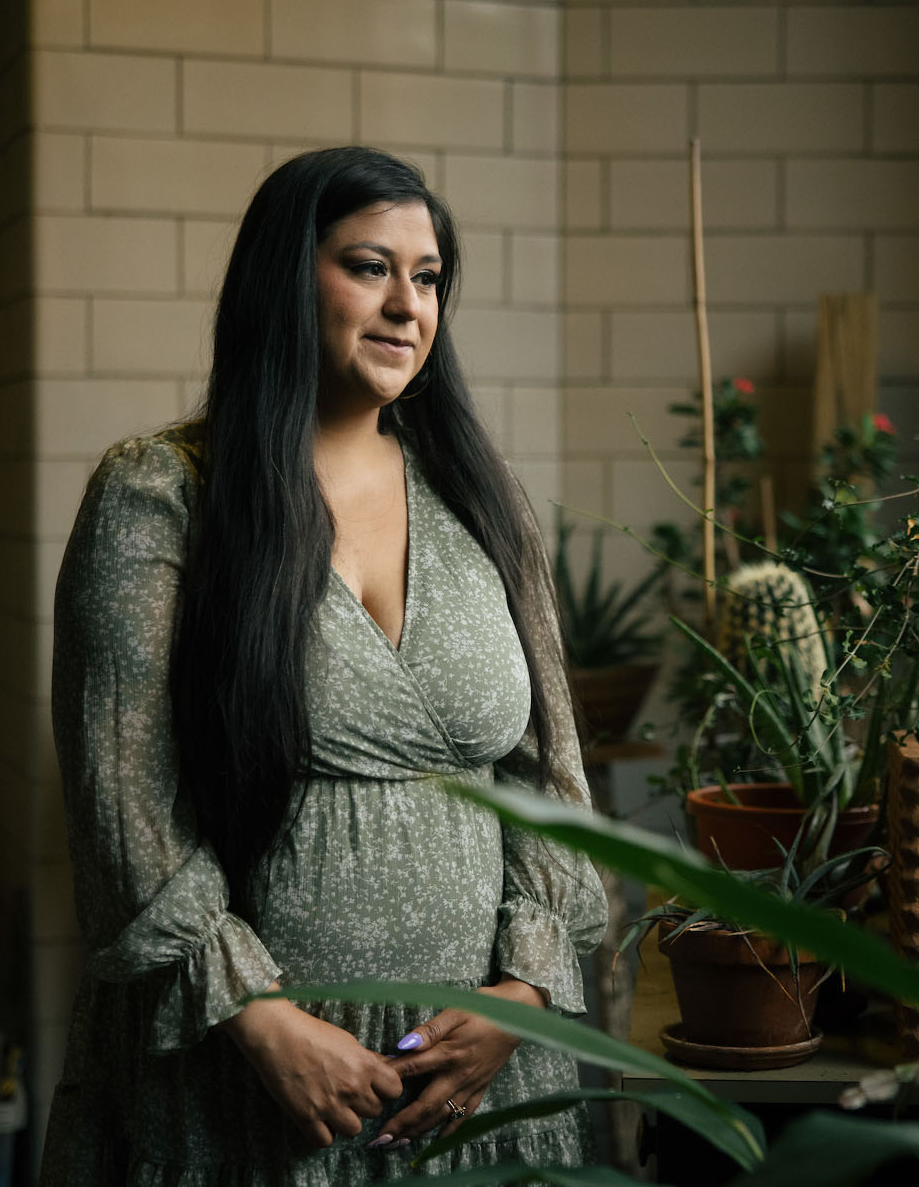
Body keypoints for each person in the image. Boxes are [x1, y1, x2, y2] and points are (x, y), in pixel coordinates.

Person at [40, 147, 608, 1185]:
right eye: (368, 266)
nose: (407, 305)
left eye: (428, 277)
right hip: (249, 1075)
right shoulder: (163, 493)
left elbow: (547, 772)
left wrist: (516, 999)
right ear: (285, 277)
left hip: (475, 1080)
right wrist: (255, 1017)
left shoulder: (483, 498)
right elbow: (120, 793)